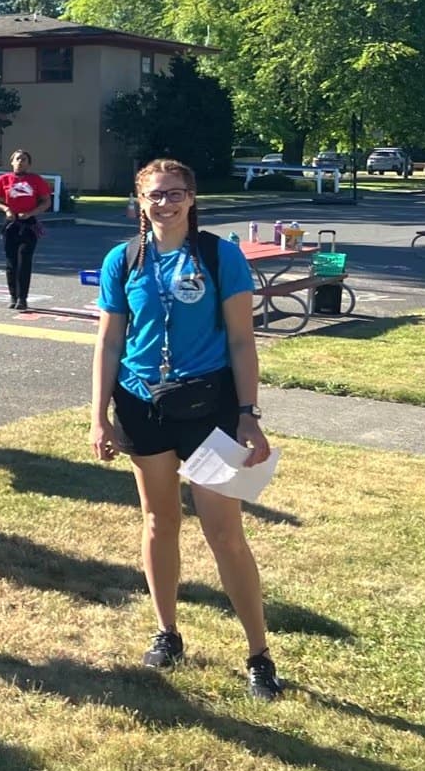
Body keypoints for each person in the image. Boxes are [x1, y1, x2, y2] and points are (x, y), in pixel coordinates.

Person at [91, 158, 282, 702]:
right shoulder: (122, 259)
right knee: (159, 522)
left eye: (175, 193)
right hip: (140, 404)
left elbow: (242, 340)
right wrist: (98, 416)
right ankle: (167, 632)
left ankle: (258, 655)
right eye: (155, 195)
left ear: (192, 198)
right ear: (140, 201)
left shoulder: (220, 256)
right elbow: (109, 341)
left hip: (209, 407)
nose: (165, 203)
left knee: (224, 533)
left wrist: (248, 413)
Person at [0, 149, 53, 311]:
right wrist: (6, 209)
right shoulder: (4, 179)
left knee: (24, 260)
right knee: (11, 262)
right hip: (11, 224)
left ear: (29, 164)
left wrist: (31, 213)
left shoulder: (36, 180)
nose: (20, 162)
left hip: (28, 224)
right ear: (12, 162)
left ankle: (22, 298)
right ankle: (13, 296)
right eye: (17, 159)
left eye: (24, 159)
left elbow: (46, 202)